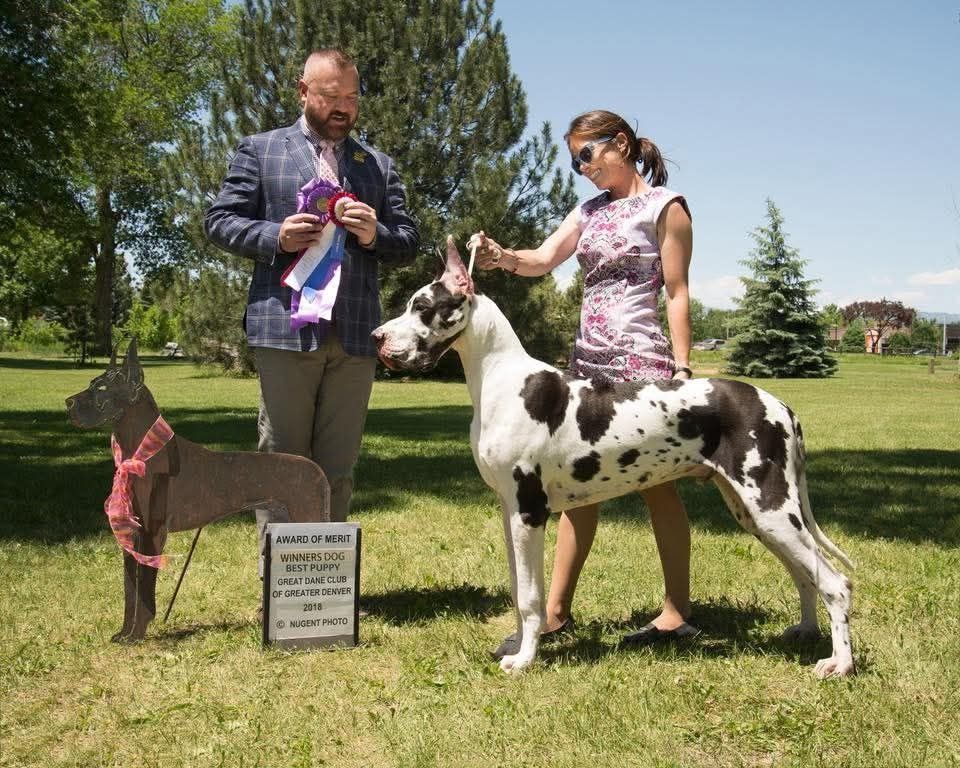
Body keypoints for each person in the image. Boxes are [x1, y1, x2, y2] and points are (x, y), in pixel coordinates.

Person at [471, 109, 696, 658]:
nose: (582, 168)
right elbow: (543, 259)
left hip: (641, 365)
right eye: (575, 162)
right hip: (587, 365)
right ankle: (554, 612)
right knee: (574, 491)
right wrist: (502, 258)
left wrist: (683, 369)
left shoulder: (666, 206)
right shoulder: (588, 211)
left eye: (586, 155)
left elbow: (676, 291)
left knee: (657, 485)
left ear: (620, 144)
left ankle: (676, 611)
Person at [204, 49, 419, 553]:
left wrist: (375, 234)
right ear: (303, 91)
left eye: (353, 97)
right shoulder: (260, 150)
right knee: (282, 460)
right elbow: (219, 220)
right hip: (284, 327)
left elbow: (408, 240)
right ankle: (279, 582)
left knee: (337, 466)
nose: (344, 107)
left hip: (355, 336)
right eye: (330, 96)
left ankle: (325, 580)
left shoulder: (378, 166)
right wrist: (275, 236)